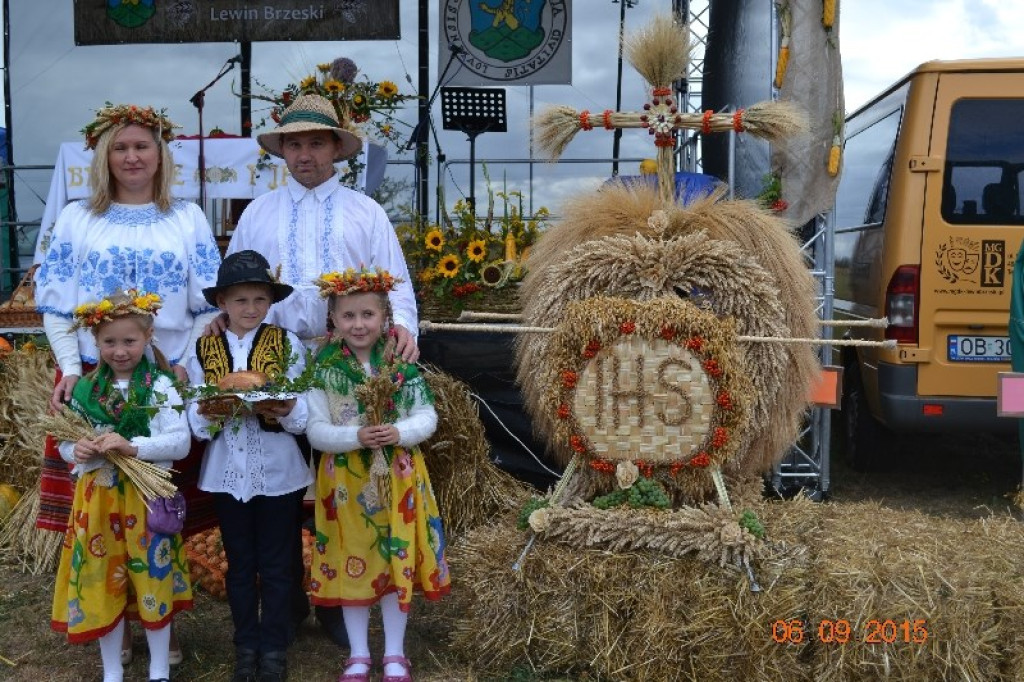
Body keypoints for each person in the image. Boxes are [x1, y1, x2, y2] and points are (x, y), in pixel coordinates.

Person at [221, 92, 420, 644]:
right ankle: (283, 603)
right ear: (281, 149)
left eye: (315, 142)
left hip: (347, 361)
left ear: (337, 147)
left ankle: (341, 600)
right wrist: (223, 326)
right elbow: (234, 286)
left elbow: (396, 284)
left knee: (343, 482)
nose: (304, 154)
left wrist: (403, 329)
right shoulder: (258, 213)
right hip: (274, 359)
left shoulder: (365, 211)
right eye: (294, 143)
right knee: (280, 486)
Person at [36, 102, 222, 665]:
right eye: (121, 147)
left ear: (160, 154)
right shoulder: (76, 218)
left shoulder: (185, 216)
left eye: (143, 146)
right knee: (101, 509)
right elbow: (55, 303)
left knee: (161, 510)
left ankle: (159, 620)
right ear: (103, 156)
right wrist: (72, 367)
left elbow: (207, 304)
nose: (133, 156)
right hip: (99, 374)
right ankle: (109, 616)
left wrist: (184, 362)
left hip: (165, 377)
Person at [306, 268, 450, 682]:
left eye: (367, 314)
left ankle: (394, 652)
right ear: (333, 319)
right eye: (348, 316)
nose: (358, 324)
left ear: (385, 316)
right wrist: (355, 436)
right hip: (347, 485)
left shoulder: (399, 364)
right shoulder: (325, 368)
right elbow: (315, 430)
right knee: (354, 561)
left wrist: (399, 432)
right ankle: (357, 653)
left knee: (393, 559)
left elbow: (427, 416)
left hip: (398, 481)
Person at [51, 289, 193, 682]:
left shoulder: (161, 386)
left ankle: (160, 667)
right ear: (94, 342)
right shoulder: (85, 391)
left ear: (147, 338)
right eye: (109, 342)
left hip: (147, 502)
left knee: (153, 578)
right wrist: (75, 448)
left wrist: (132, 447)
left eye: (129, 341)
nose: (119, 350)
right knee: (101, 578)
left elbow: (180, 442)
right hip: (98, 501)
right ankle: (112, 670)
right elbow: (66, 442)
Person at [185, 250, 311, 682]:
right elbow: (193, 414)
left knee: (277, 564)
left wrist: (284, 405)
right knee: (240, 564)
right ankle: (246, 647)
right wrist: (209, 412)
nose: (250, 309)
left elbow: (302, 411)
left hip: (279, 472)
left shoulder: (286, 342)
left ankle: (274, 648)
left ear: (270, 301)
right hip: (225, 473)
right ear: (222, 302)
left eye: (259, 299)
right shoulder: (203, 347)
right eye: (240, 301)